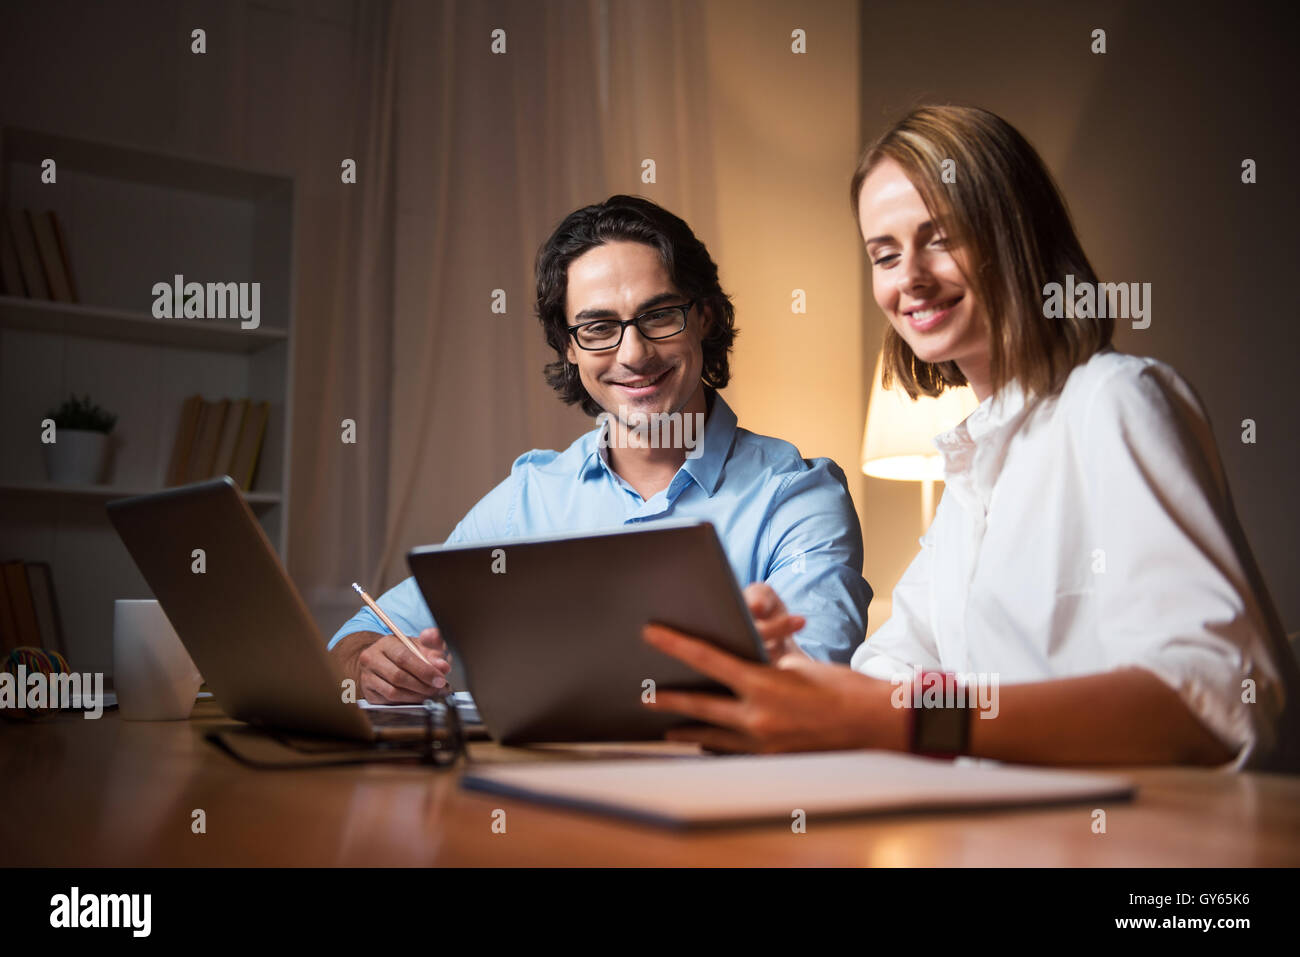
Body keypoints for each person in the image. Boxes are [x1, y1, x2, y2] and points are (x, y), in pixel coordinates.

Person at [642, 105, 1299, 771]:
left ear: (1015, 234)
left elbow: (1217, 697)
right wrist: (775, 671)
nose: (909, 279)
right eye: (885, 254)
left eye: (942, 236)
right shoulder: (971, 472)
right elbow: (892, 673)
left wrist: (896, 716)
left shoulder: (1112, 401)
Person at [329, 195, 873, 703]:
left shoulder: (797, 498)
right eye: (597, 328)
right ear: (569, 345)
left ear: (705, 316)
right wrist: (368, 665)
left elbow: (811, 692)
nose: (633, 354)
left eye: (658, 315)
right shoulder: (528, 500)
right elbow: (358, 637)